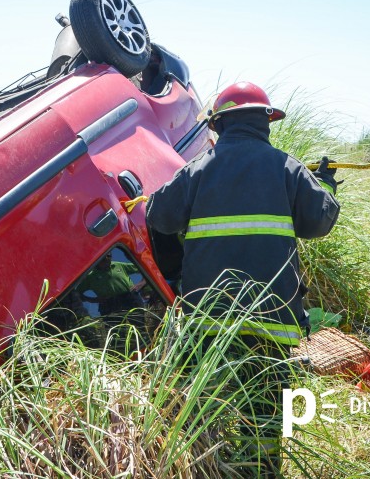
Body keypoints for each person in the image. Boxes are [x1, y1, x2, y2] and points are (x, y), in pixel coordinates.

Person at [145, 81, 340, 476]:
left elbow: (157, 216)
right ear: (266, 122)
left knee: (204, 406)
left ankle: (206, 466)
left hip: (209, 323)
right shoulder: (288, 167)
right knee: (267, 412)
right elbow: (320, 220)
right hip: (272, 320)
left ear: (218, 125)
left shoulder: (199, 168)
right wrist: (325, 184)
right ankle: (264, 470)